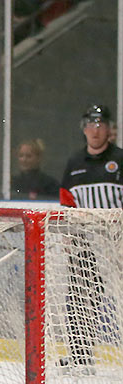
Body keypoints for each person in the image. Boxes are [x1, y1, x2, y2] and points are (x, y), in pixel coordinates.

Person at [57, 104, 123, 369]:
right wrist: (67, 235)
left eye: (100, 125)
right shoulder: (74, 164)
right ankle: (79, 353)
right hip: (85, 243)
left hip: (118, 241)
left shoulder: (120, 159)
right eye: (90, 125)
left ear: (109, 129)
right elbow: (67, 202)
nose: (95, 130)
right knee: (79, 297)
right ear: (83, 129)